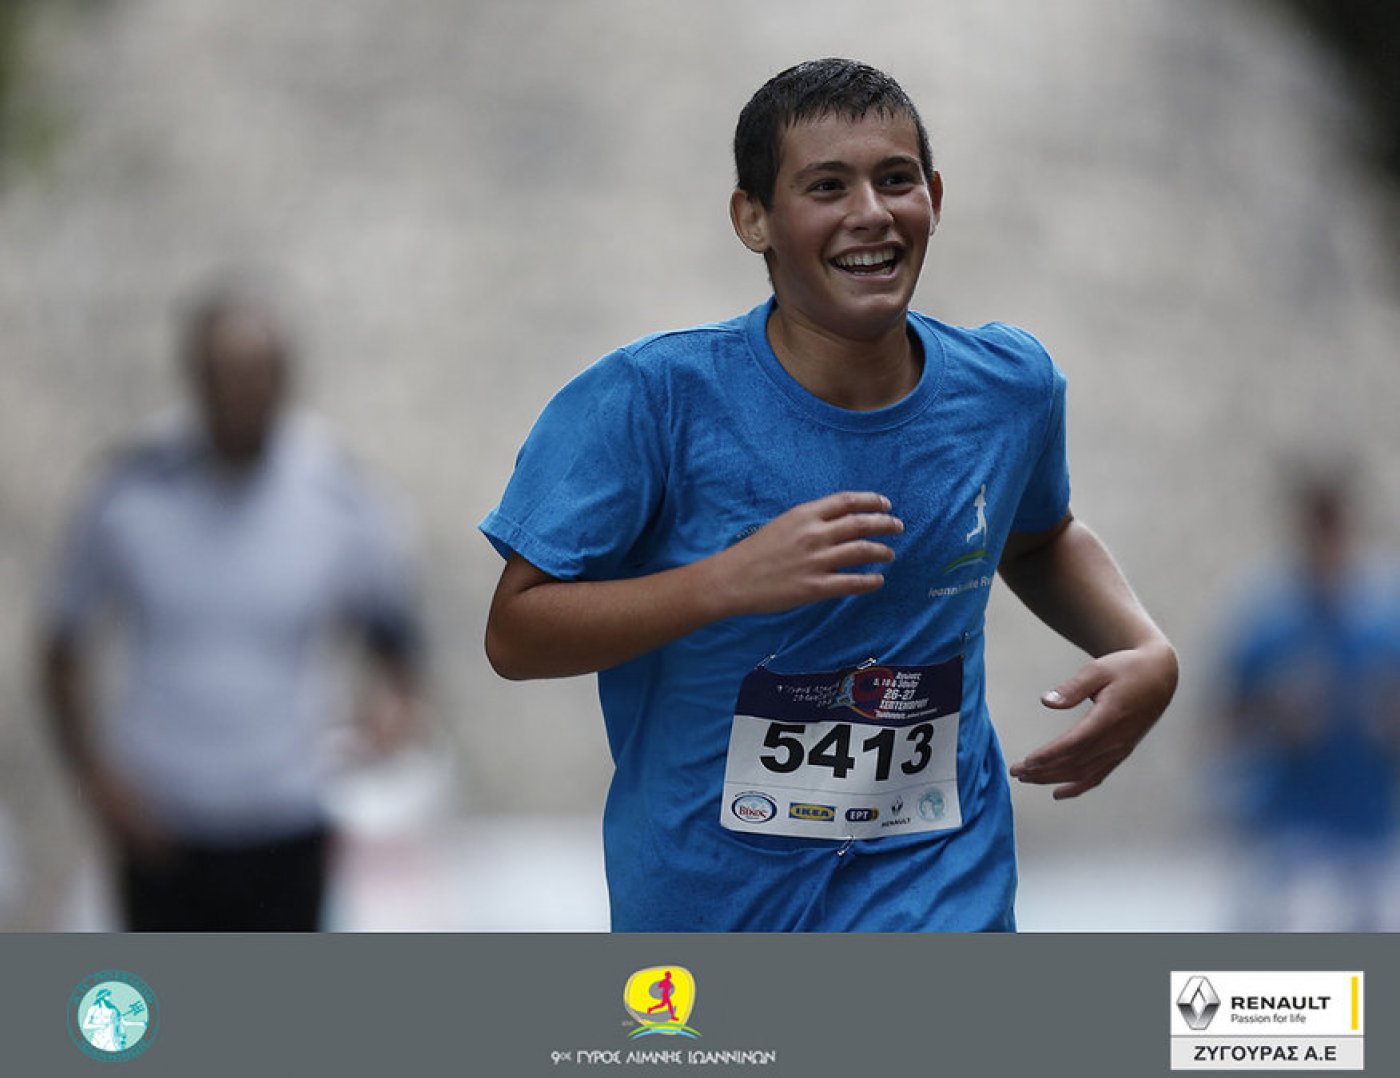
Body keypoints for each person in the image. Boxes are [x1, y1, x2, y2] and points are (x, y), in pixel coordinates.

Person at [481, 59, 1177, 931]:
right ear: (753, 219)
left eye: (897, 180)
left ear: (934, 197)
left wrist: (1145, 648)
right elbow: (515, 633)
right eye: (826, 186)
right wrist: (724, 582)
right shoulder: (649, 400)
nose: (871, 213)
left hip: (941, 900)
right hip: (713, 919)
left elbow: (1039, 534)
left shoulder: (1011, 388)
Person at [39, 283, 425, 931]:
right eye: (225, 374)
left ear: (286, 378)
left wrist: (393, 708)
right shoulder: (131, 490)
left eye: (258, 374)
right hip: (162, 818)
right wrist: (96, 779)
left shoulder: (337, 496)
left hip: (287, 815)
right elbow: (61, 646)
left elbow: (395, 637)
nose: (242, 393)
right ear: (194, 376)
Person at [1215, 465, 1400, 930]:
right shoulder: (1268, 615)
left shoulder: (1386, 613)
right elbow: (1224, 721)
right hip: (1291, 831)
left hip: (1374, 827)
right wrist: (1276, 713)